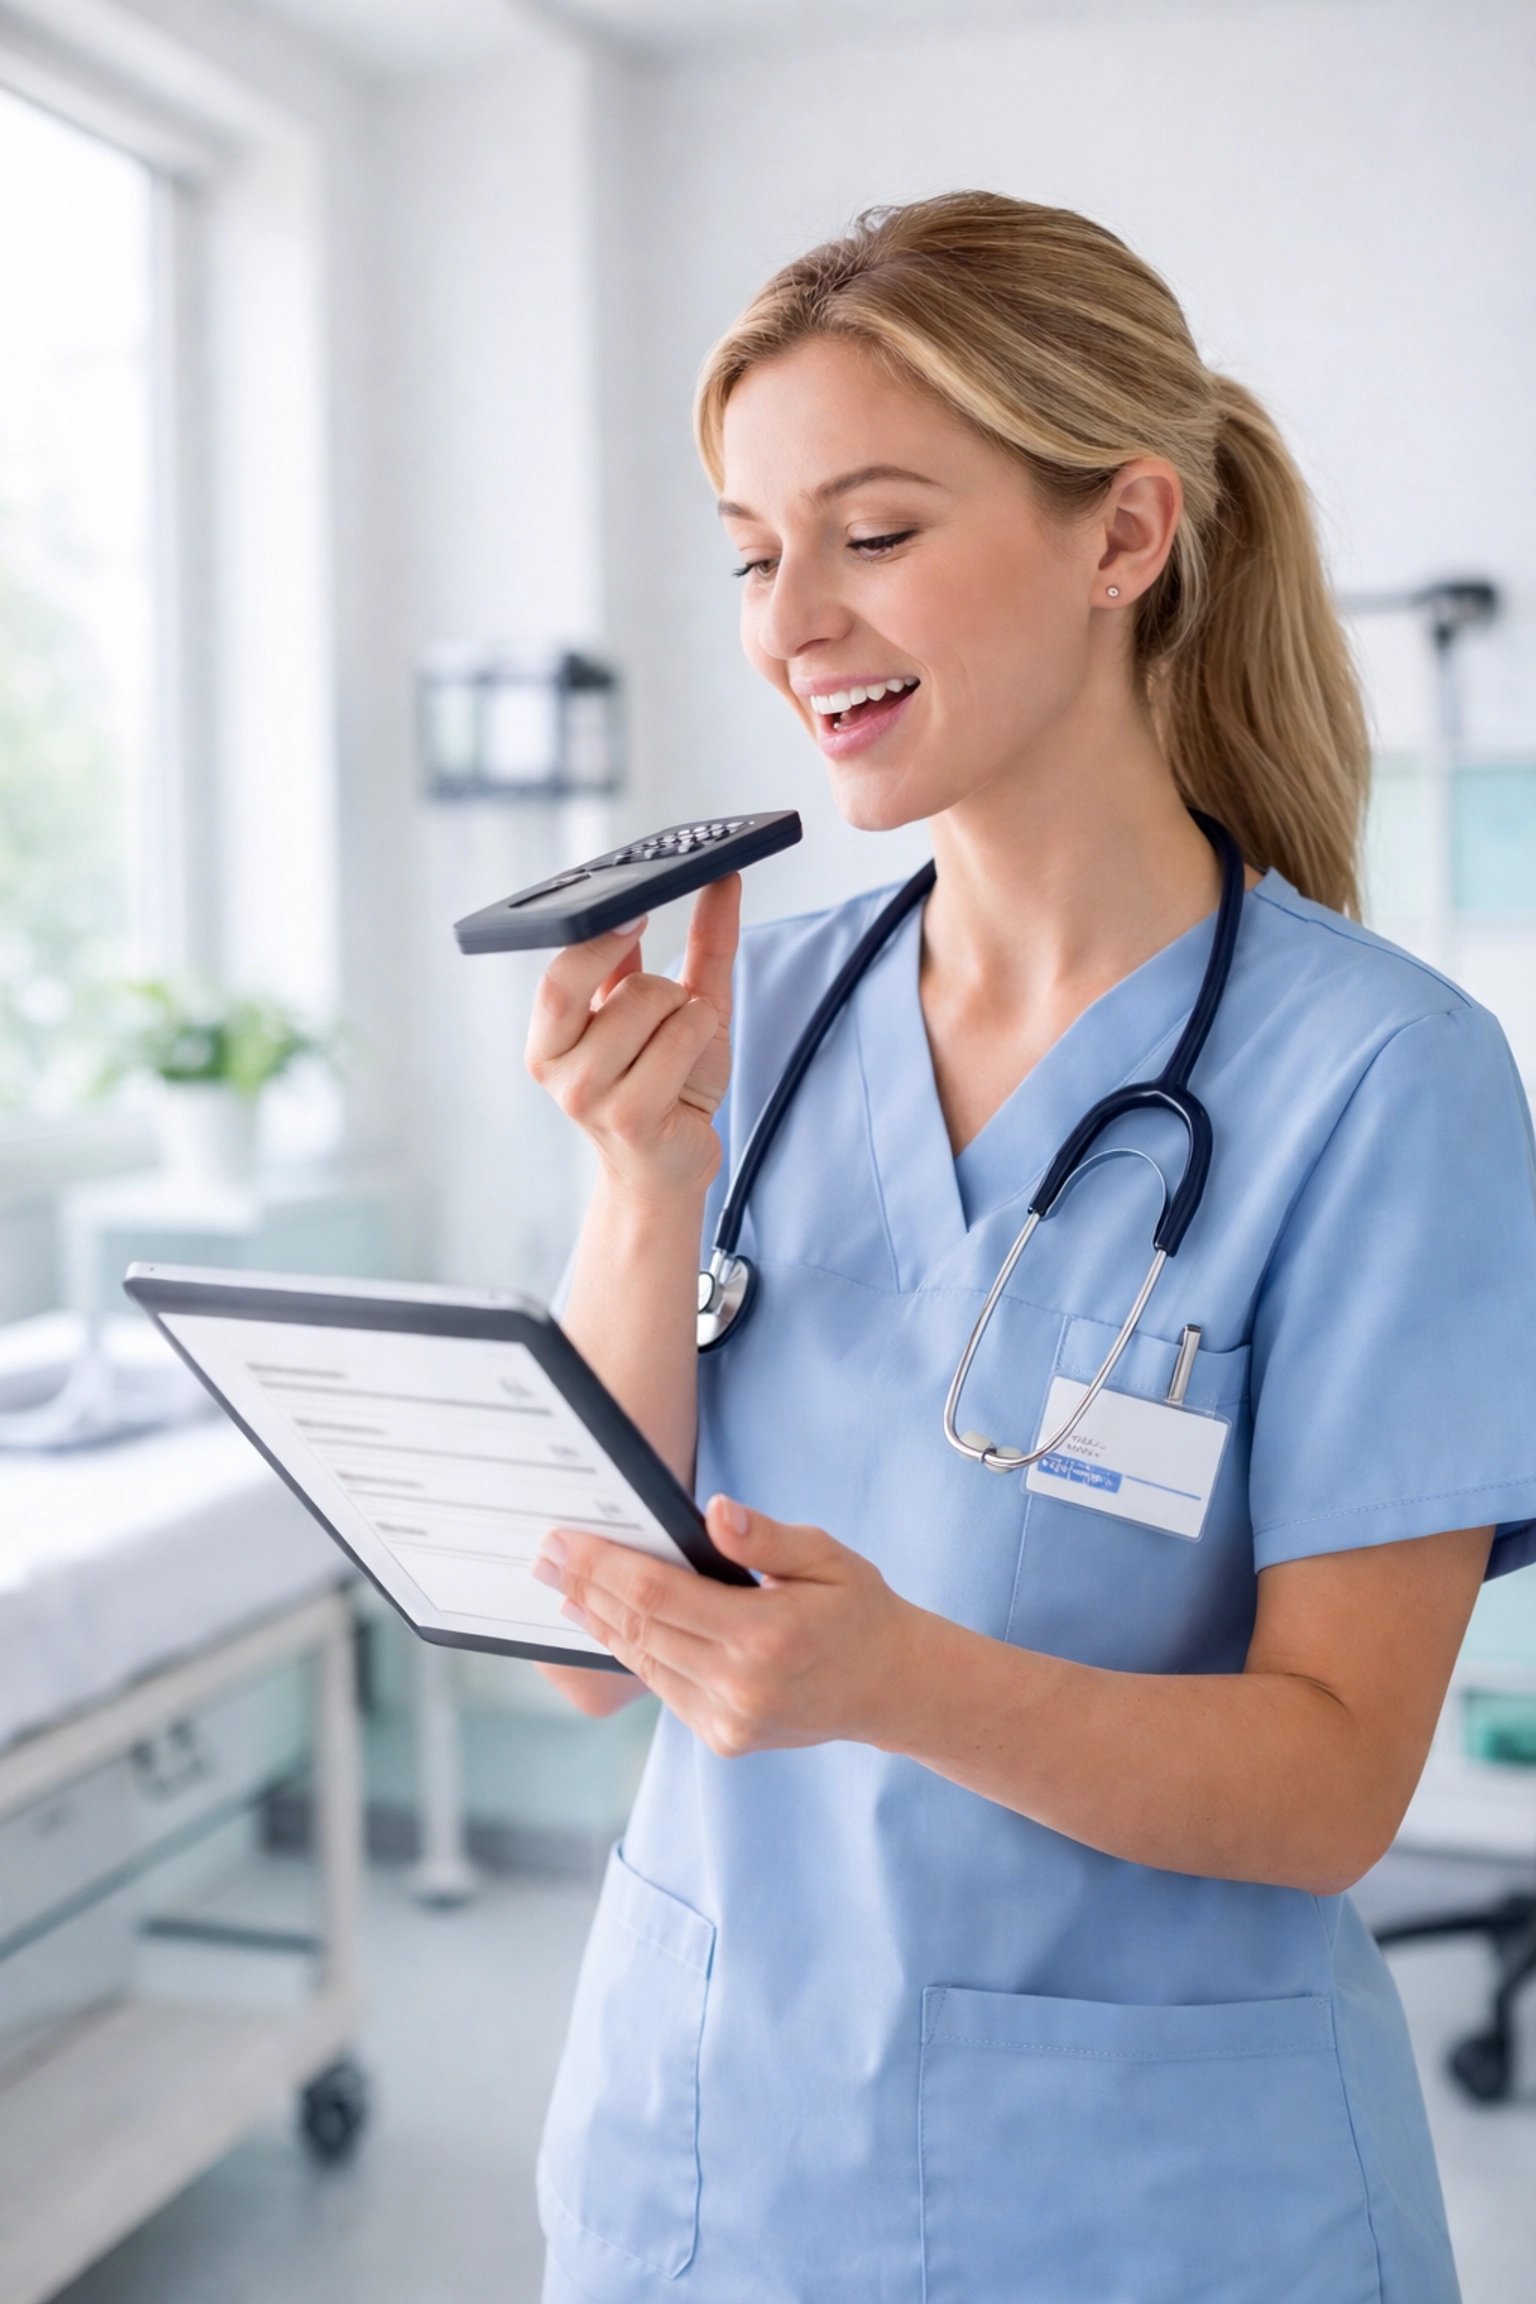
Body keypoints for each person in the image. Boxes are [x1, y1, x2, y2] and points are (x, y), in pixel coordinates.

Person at [521, 194, 1536, 2304]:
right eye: (751, 546)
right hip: (706, 2156)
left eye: (872, 531)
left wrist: (901, 1683)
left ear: (1125, 534)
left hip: (1149, 2204)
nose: (789, 616)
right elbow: (571, 1646)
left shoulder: (1381, 1082)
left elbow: (1339, 1778)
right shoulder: (753, 1020)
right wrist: (638, 1194)